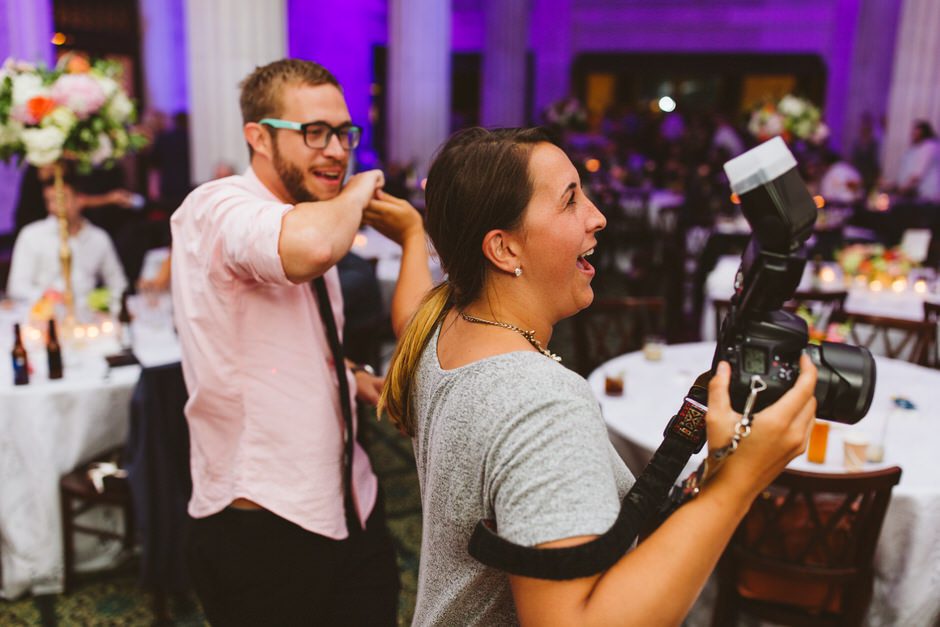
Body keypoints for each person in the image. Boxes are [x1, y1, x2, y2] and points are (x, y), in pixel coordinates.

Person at [379, 127, 818, 625]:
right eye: (570, 202)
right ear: (503, 250)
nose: (599, 217)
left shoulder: (443, 327)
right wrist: (739, 481)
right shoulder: (540, 402)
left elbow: (408, 315)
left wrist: (414, 236)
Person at [170, 59, 432, 625]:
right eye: (314, 133)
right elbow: (306, 251)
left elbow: (286, 332)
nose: (337, 150)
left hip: (352, 497)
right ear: (258, 137)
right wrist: (363, 188)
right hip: (266, 522)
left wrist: (346, 372)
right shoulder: (217, 207)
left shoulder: (310, 215)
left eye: (344, 133)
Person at [7, 167, 127, 307]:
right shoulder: (31, 235)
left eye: (61, 199)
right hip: (45, 314)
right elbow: (16, 287)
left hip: (88, 316)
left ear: (80, 200)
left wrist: (103, 305)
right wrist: (46, 295)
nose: (54, 208)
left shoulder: (98, 237)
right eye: (49, 201)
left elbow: (118, 284)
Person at [894, 119, 940, 203]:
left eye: (915, 133)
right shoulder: (932, 146)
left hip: (929, 194)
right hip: (929, 193)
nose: (913, 136)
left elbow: (918, 174)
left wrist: (902, 189)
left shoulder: (928, 147)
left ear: (923, 133)